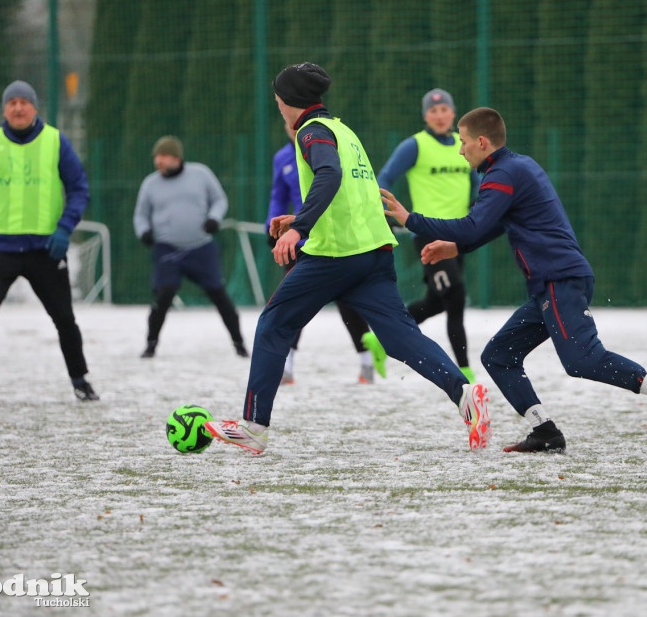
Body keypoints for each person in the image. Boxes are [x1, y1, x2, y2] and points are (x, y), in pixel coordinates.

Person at [204, 62, 490, 455]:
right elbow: (350, 190)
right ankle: (463, 394)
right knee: (399, 337)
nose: (277, 106)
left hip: (336, 255)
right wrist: (298, 217)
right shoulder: (343, 130)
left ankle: (254, 426)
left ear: (289, 101)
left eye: (277, 99)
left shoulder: (311, 131)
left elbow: (328, 176)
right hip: (373, 251)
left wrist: (298, 227)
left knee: (273, 325)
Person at [381, 106, 647, 452]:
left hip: (560, 280)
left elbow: (474, 223)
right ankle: (545, 431)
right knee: (498, 356)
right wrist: (454, 248)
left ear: (482, 141)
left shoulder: (502, 174)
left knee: (582, 359)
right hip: (549, 284)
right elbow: (494, 224)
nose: (460, 150)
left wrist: (410, 218)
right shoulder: (513, 167)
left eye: (463, 143)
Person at [0, 80, 98, 404]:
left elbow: (79, 189)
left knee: (65, 319)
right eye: (11, 102)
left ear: (34, 107)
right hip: (0, 251)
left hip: (45, 250)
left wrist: (64, 228)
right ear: (4, 109)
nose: (18, 107)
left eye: (24, 102)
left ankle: (81, 381)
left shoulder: (55, 141)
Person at [267, 121, 388, 384]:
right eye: (287, 124)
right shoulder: (283, 158)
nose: (292, 127)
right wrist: (271, 224)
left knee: (348, 302)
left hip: (335, 239)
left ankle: (367, 361)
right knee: (293, 303)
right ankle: (285, 366)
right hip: (300, 242)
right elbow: (278, 195)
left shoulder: (327, 147)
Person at [377, 88, 477, 383]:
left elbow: (478, 181)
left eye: (444, 109)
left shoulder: (463, 145)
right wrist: (387, 213)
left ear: (453, 113)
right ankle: (465, 369)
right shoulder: (414, 146)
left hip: (459, 235)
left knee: (436, 302)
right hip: (429, 233)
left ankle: (380, 340)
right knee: (456, 294)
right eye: (433, 111)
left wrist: (480, 207)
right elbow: (384, 179)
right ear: (425, 116)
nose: (439, 115)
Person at [133, 135, 247, 359]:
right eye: (157, 156)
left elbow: (219, 200)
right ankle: (150, 345)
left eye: (163, 156)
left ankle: (239, 343)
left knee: (219, 294)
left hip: (201, 247)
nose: (158, 161)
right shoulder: (150, 184)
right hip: (167, 248)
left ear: (176, 157)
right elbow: (141, 215)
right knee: (164, 295)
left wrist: (214, 218)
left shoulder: (200, 174)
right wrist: (143, 231)